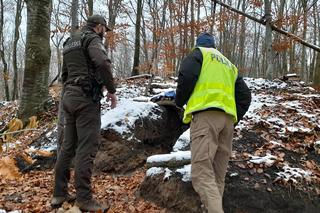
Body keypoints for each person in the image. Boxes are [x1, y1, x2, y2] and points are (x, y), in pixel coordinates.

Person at [175, 32, 251, 213]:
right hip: (227, 122)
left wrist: (179, 101)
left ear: (198, 44)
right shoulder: (229, 65)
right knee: (217, 177)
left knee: (201, 174)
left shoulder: (199, 53)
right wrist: (234, 117)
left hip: (206, 117)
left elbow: (186, 75)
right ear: (214, 46)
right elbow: (245, 96)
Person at [51, 14, 117, 212]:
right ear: (98, 27)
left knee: (67, 147)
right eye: (105, 29)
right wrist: (111, 90)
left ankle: (59, 194)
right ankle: (84, 199)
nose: (105, 33)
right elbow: (103, 63)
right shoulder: (91, 38)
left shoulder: (70, 42)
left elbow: (65, 74)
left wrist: (69, 92)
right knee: (86, 148)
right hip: (85, 98)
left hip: (69, 97)